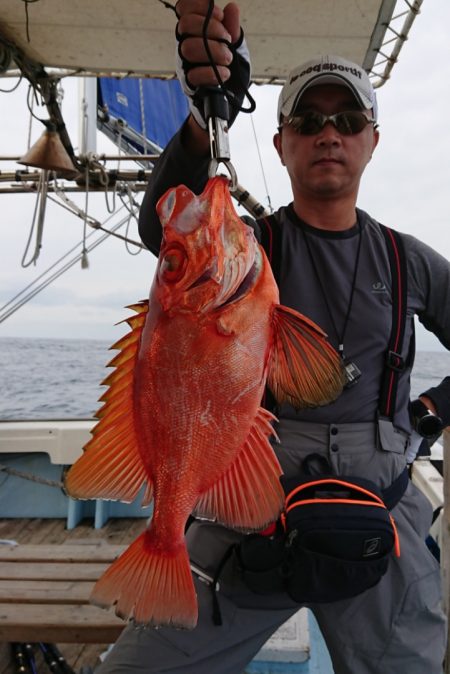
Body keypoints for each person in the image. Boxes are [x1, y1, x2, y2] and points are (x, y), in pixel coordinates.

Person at [96, 1, 450, 672]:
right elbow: (166, 230)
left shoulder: (410, 261)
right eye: (308, 122)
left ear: (372, 141)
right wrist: (207, 120)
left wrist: (431, 412)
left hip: (384, 510)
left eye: (346, 121)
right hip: (249, 499)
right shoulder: (247, 249)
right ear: (282, 142)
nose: (328, 135)